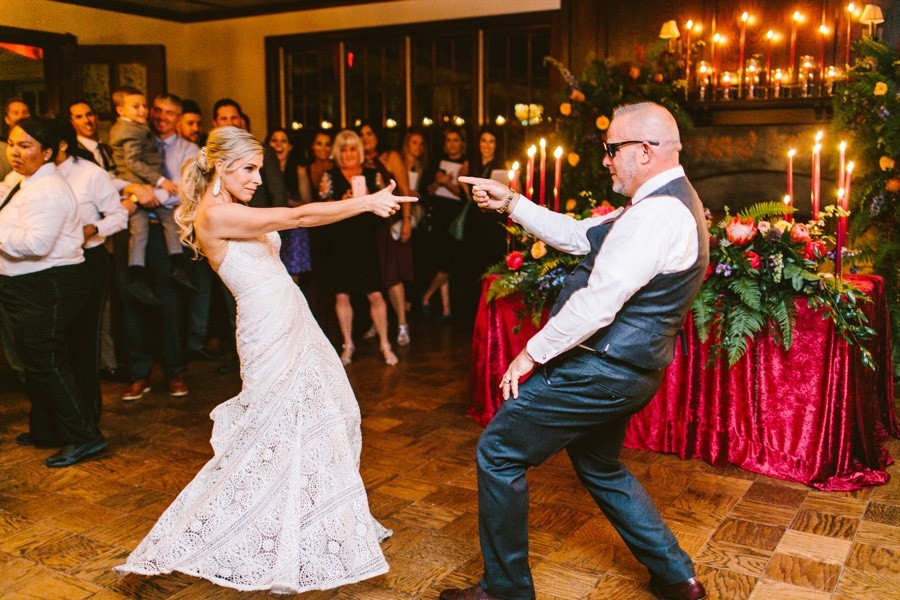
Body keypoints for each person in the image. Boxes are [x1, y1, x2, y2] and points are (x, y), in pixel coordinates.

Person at [115, 125, 414, 592]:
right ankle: (248, 529)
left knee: (328, 411)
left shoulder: (234, 208)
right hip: (266, 329)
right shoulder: (214, 217)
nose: (257, 178)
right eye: (248, 169)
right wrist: (363, 202)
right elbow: (297, 218)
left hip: (293, 318)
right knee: (271, 428)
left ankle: (308, 521)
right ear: (220, 167)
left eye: (258, 168)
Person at [441, 103, 709, 600]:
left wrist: (530, 354)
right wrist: (510, 202)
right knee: (601, 465)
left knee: (498, 453)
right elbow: (578, 235)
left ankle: (505, 590)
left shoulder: (658, 214)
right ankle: (676, 577)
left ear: (645, 152)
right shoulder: (662, 203)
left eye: (611, 150)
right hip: (627, 371)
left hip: (599, 370)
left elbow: (598, 304)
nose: (605, 160)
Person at [0, 117, 104, 468]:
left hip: (50, 283)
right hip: (28, 284)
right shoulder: (22, 180)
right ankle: (47, 429)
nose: (15, 151)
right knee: (34, 360)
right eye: (12, 143)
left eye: (25, 145)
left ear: (47, 152)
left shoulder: (49, 188)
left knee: (46, 361)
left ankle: (85, 436)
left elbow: (33, 245)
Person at [55, 119, 130, 423]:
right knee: (58, 344)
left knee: (84, 341)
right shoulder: (33, 178)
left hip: (88, 261)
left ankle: (86, 418)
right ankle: (58, 418)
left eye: (27, 144)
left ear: (58, 145)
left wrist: (93, 228)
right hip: (51, 266)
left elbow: (120, 215)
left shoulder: (90, 174)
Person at [108, 86, 192, 305]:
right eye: (157, 110)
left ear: (179, 118)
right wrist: (135, 191)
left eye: (169, 113)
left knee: (170, 304)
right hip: (138, 229)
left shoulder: (190, 150)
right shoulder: (137, 136)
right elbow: (111, 177)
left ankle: (178, 268)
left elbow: (185, 190)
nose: (160, 116)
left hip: (170, 230)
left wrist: (152, 195)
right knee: (135, 307)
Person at [319, 130, 397, 366]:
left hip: (365, 242)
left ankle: (385, 344)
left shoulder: (373, 176)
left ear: (359, 151)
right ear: (338, 153)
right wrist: (345, 201)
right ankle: (347, 345)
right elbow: (320, 208)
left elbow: (387, 209)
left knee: (375, 294)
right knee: (342, 294)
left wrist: (372, 202)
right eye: (343, 149)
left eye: (353, 148)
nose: (348, 154)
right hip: (340, 242)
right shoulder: (329, 176)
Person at [358, 121, 414, 346]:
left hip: (390, 222)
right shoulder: (360, 161)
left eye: (369, 133)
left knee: (392, 276)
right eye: (361, 135)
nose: (365, 138)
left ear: (377, 136)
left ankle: (402, 324)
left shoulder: (390, 156)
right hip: (368, 226)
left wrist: (408, 219)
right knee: (374, 276)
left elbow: (405, 187)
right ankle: (378, 322)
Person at [419, 126, 466, 323]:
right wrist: (439, 182)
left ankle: (426, 297)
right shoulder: (436, 163)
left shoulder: (466, 164)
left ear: (461, 143)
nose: (452, 143)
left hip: (456, 220)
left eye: (456, 140)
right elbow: (426, 190)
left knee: (449, 264)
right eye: (449, 140)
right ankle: (446, 310)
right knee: (442, 263)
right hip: (439, 218)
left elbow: (465, 195)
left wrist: (447, 184)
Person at [267, 127, 311, 284]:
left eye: (283, 141)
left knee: (291, 278)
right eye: (274, 140)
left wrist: (288, 203)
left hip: (293, 228)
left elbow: (307, 201)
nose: (278, 144)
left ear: (290, 146)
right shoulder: (260, 169)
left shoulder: (298, 170)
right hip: (269, 225)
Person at [0, 98, 31, 179]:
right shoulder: (2, 147)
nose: (21, 116)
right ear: (7, 119)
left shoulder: (36, 145)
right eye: (15, 113)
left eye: (25, 112)